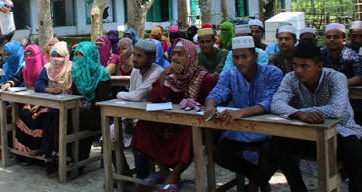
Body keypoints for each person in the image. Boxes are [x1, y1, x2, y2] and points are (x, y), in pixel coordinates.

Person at [270, 42, 362, 192]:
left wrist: (303, 111)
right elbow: (276, 103)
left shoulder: (336, 78)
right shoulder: (290, 77)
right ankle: (298, 188)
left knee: (355, 152)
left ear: (319, 66)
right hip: (309, 134)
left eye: (304, 66)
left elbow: (337, 109)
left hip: (341, 133)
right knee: (277, 143)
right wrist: (299, 114)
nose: (298, 70)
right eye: (295, 65)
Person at [132, 39, 217, 192]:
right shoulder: (172, 78)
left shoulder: (205, 78)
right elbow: (156, 99)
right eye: (173, 54)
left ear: (190, 56)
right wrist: (164, 73)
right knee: (144, 125)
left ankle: (175, 174)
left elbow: (209, 114)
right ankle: (163, 169)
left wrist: (179, 126)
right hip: (173, 123)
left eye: (180, 54)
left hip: (197, 127)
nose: (175, 58)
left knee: (190, 131)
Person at [204, 36, 283, 192]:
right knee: (221, 155)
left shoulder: (272, 73)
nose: (239, 62)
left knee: (273, 154)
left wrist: (241, 112)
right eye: (235, 57)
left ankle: (255, 182)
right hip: (240, 130)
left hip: (268, 131)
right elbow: (217, 93)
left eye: (244, 56)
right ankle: (257, 179)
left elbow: (270, 102)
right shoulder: (230, 74)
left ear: (254, 56)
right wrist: (210, 106)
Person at [45, 41, 112, 174]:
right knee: (63, 114)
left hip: (98, 115)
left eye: (82, 55)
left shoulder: (102, 74)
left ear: (91, 55)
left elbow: (101, 100)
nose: (78, 58)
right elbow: (75, 96)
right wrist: (79, 104)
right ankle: (58, 156)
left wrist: (83, 104)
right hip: (80, 113)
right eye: (77, 55)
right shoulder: (77, 73)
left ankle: (66, 158)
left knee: (71, 114)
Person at [114, 39, 164, 184]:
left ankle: (141, 179)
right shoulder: (135, 71)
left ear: (151, 58)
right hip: (131, 117)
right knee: (107, 136)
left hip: (149, 120)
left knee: (138, 138)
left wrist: (118, 94)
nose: (134, 59)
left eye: (139, 56)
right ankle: (123, 174)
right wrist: (126, 118)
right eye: (134, 55)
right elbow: (130, 98)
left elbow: (136, 96)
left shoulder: (157, 72)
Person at [34, 41, 73, 158]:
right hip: (52, 102)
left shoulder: (72, 68)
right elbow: (38, 84)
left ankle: (54, 151)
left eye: (59, 56)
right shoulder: (47, 68)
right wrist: (49, 90)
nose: (56, 59)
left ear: (65, 56)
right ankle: (46, 149)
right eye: (53, 55)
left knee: (53, 115)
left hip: (69, 103)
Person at [321, 23, 362, 124]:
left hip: (350, 97)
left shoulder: (351, 55)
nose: (331, 40)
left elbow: (360, 76)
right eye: (328, 37)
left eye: (336, 37)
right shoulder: (319, 54)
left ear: (344, 40)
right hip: (325, 96)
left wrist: (341, 83)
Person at [11, 44, 48, 156]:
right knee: (23, 114)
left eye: (31, 55)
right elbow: (16, 78)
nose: (29, 58)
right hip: (29, 101)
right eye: (26, 55)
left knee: (39, 117)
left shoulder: (46, 69)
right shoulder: (25, 69)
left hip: (45, 102)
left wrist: (39, 104)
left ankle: (39, 150)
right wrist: (9, 83)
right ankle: (24, 154)